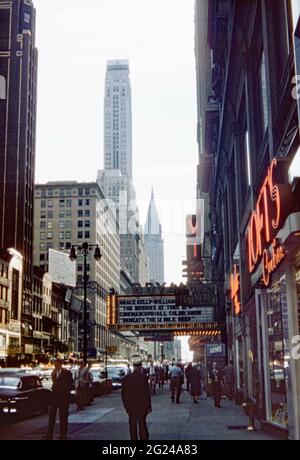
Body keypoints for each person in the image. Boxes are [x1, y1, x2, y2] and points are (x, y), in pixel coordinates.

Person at [121, 357, 152, 441]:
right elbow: (147, 393)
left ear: (133, 366)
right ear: (140, 366)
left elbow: (123, 395)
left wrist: (126, 407)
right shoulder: (144, 378)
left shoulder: (126, 378)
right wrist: (149, 406)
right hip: (142, 405)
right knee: (142, 423)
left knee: (132, 425)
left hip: (131, 406)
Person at [45, 358, 73, 440]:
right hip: (54, 397)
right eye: (54, 363)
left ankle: (63, 434)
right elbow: (54, 384)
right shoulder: (53, 372)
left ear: (60, 364)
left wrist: (65, 393)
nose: (54, 365)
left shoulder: (67, 373)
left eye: (55, 363)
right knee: (51, 415)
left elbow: (70, 384)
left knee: (63, 416)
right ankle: (49, 434)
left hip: (63, 397)